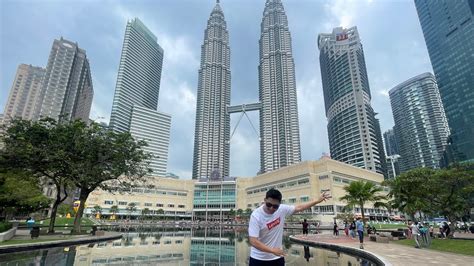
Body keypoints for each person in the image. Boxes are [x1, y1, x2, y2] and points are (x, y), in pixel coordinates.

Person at [248, 188, 330, 265]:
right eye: (269, 204)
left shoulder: (282, 209)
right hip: (258, 259)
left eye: (275, 206)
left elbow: (299, 208)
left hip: (277, 257)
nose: (271, 208)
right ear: (265, 200)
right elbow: (253, 241)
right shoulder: (256, 216)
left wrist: (317, 201)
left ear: (279, 204)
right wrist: (272, 250)